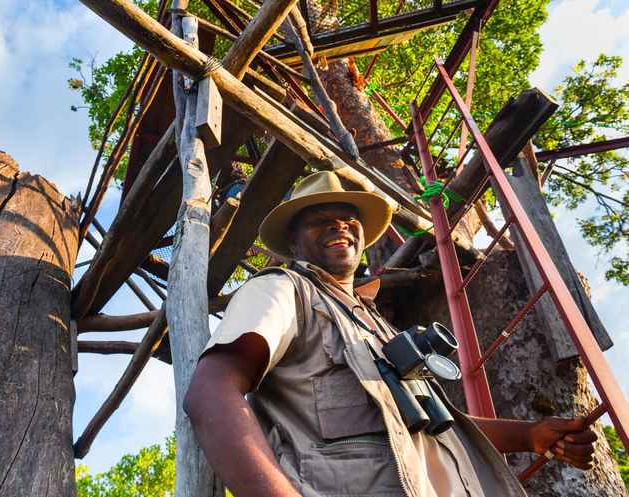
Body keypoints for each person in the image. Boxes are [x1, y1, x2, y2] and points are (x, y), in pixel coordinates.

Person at [184, 171, 597, 497]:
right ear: (292, 242)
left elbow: (435, 425)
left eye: (349, 219)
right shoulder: (283, 289)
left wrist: (530, 435)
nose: (340, 227)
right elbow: (211, 393)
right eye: (320, 221)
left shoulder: (378, 325)